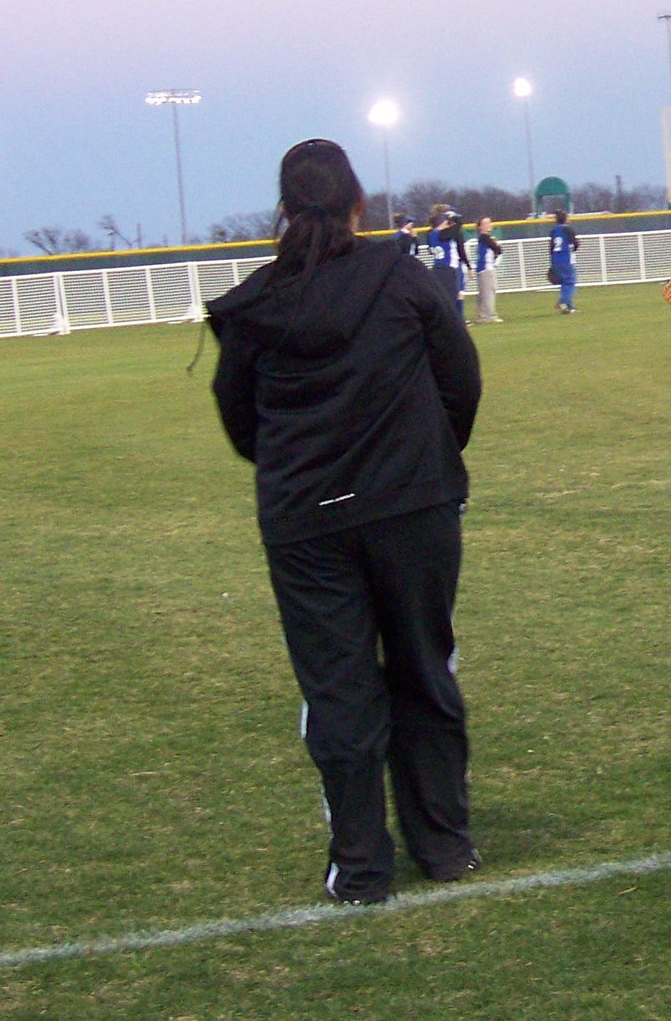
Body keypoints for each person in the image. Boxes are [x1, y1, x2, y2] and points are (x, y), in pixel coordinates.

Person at [206, 139, 483, 906]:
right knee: (424, 668)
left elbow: (239, 422)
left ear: (285, 211)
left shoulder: (256, 304)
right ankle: (445, 846)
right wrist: (424, 461)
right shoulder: (402, 277)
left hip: (306, 523)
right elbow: (460, 379)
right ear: (358, 203)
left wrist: (307, 475)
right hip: (411, 508)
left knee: (340, 689)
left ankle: (362, 867)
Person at [427, 204, 471, 319]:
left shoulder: (431, 234)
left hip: (437, 268)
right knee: (451, 299)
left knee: (442, 297)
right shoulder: (444, 234)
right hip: (447, 269)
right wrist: (453, 216)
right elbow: (459, 224)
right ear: (442, 222)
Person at [549, 208, 579, 313]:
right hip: (566, 258)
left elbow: (551, 247)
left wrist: (552, 263)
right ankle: (563, 302)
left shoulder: (553, 231)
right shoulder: (568, 229)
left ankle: (569, 308)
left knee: (564, 283)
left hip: (555, 259)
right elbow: (575, 243)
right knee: (570, 282)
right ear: (565, 219)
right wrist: (574, 249)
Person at [473, 216, 503, 322]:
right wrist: (496, 243)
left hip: (483, 267)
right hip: (486, 267)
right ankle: (490, 315)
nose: (488, 225)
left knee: (483, 292)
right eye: (485, 223)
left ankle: (482, 315)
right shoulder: (484, 237)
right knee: (489, 291)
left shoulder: (484, 238)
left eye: (489, 223)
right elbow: (498, 250)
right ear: (480, 226)